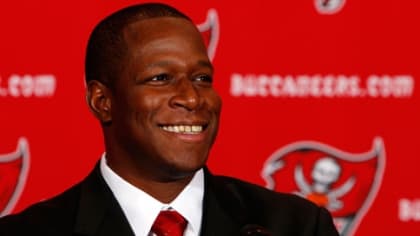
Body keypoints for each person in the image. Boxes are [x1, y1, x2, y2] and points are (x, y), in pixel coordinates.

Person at [0, 3, 339, 236]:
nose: (192, 97)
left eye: (203, 78)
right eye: (160, 78)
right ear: (102, 101)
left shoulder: (296, 225)